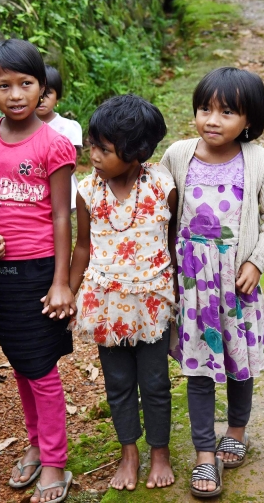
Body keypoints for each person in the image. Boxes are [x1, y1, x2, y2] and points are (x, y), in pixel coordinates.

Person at [161, 67, 264, 499]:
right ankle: (203, 453)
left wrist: (255, 261)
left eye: (227, 112)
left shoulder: (258, 160)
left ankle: (236, 428)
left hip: (237, 287)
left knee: (239, 361)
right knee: (197, 368)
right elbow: (162, 211)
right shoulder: (178, 156)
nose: (212, 120)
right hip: (194, 289)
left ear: (249, 120)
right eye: (204, 109)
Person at [0, 39, 78, 503]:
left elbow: (61, 215)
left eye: (25, 84)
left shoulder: (54, 144)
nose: (15, 94)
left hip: (38, 270)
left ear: (42, 88)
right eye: (4, 85)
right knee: (19, 361)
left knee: (41, 368)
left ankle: (55, 461)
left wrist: (61, 281)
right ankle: (35, 444)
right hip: (0, 271)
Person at [69, 95, 177, 492]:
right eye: (91, 145)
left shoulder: (163, 185)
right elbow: (83, 246)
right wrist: (69, 288)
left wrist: (180, 296)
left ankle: (160, 451)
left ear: (138, 153)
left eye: (104, 149)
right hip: (106, 303)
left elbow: (172, 242)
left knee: (154, 382)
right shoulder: (87, 192)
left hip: (153, 304)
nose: (93, 155)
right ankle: (129, 451)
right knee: (117, 383)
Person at [37, 65, 83, 211]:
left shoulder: (68, 127)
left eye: (48, 93)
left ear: (58, 96)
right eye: (37, 93)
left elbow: (73, 161)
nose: (42, 99)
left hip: (61, 186)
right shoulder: (21, 127)